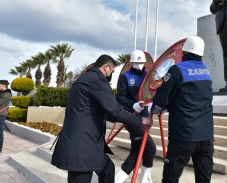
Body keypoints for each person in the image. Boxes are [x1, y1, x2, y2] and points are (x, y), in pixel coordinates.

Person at [51, 54, 152, 183]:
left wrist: (127, 116)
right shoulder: (97, 81)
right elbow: (114, 110)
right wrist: (140, 120)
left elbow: (104, 111)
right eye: (112, 71)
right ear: (106, 67)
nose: (111, 75)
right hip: (82, 145)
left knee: (107, 169)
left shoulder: (84, 79)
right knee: (81, 178)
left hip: (83, 141)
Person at [150, 36, 214, 183]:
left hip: (183, 135)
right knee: (204, 179)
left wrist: (154, 110)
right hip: (206, 137)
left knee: (170, 178)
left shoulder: (177, 70)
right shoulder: (206, 72)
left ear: (184, 52)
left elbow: (162, 98)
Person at [115, 50, 156, 183]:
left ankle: (118, 178)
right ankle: (144, 179)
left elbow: (151, 96)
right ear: (131, 63)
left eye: (140, 62)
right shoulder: (125, 77)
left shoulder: (148, 77)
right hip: (130, 117)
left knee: (137, 150)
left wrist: (151, 112)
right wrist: (133, 105)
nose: (138, 65)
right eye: (136, 62)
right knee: (149, 148)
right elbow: (120, 98)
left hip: (144, 117)